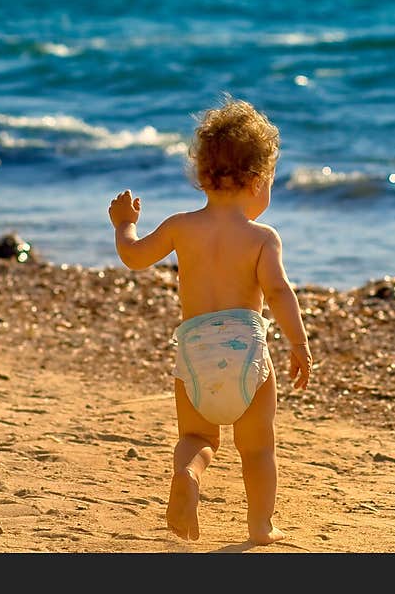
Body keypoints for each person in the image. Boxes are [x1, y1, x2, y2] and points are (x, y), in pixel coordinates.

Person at [107, 96, 312, 545]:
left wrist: (124, 224)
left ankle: (189, 476)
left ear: (202, 175)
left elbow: (134, 257)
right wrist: (298, 344)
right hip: (248, 358)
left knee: (197, 436)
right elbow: (278, 291)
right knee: (257, 448)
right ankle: (260, 525)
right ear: (259, 181)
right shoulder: (262, 238)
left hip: (196, 352)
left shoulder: (181, 225)